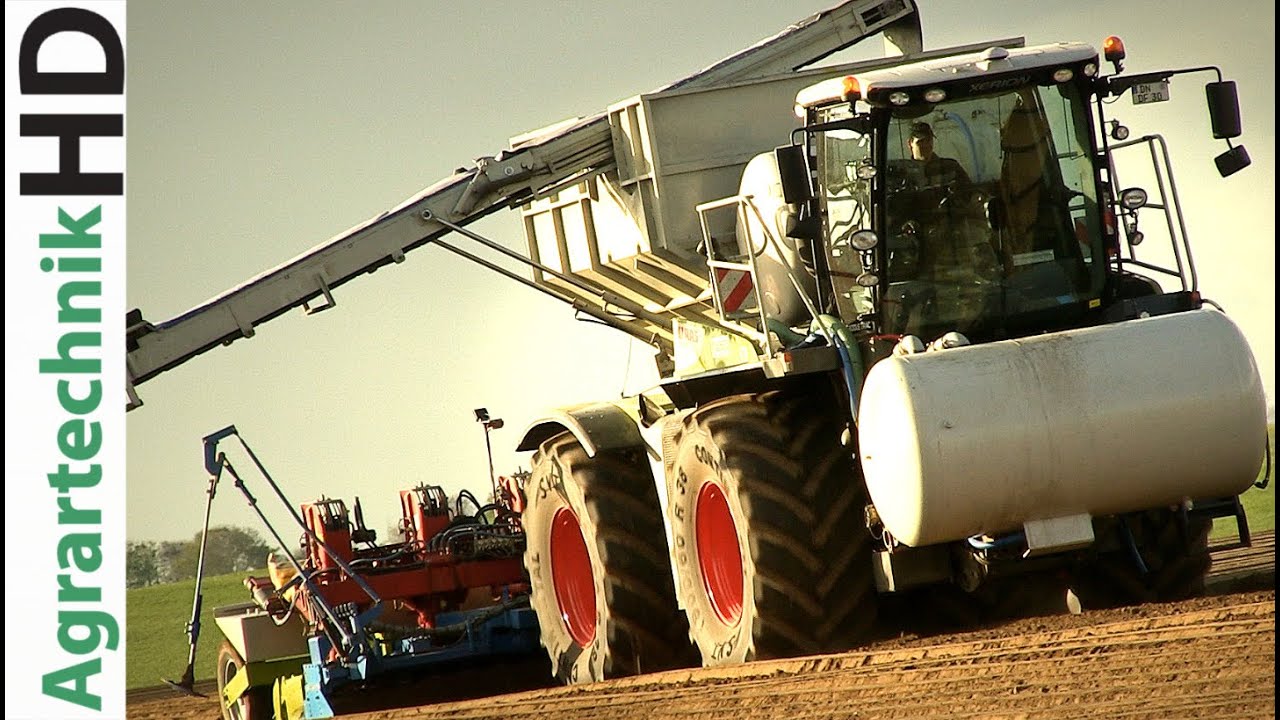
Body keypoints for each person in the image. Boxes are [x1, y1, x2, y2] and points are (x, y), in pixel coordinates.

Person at [907, 121, 971, 189]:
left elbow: (971, 192)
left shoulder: (950, 167)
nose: (926, 145)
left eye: (928, 140)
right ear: (910, 144)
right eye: (921, 141)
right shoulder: (905, 173)